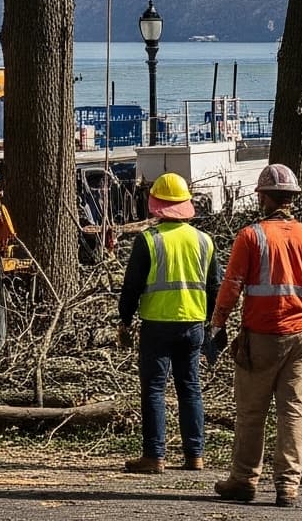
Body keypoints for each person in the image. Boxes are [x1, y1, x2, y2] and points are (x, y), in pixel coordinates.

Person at [207, 163, 302, 507]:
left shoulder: (251, 236)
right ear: (292, 199)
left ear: (263, 197)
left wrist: (218, 324)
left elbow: (231, 286)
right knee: (293, 411)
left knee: (252, 412)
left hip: (263, 335)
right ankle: (288, 486)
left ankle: (245, 480)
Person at [116, 173, 222, 474]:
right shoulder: (205, 241)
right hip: (193, 324)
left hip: (157, 325)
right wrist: (213, 323)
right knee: (190, 388)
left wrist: (124, 319)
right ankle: (195, 455)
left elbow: (132, 286)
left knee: (153, 389)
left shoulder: (148, 240)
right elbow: (215, 287)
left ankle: (154, 456)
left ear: (156, 205)